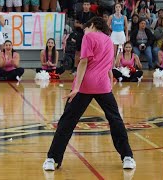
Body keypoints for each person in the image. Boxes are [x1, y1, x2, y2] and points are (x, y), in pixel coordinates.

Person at [42, 16, 136, 171]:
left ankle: (53, 159)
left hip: (85, 85)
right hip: (103, 86)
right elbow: (109, 65)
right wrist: (110, 80)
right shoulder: (109, 40)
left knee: (67, 122)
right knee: (115, 120)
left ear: (92, 25)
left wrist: (76, 87)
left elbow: (83, 62)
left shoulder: (89, 36)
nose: (84, 30)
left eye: (85, 27)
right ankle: (127, 157)